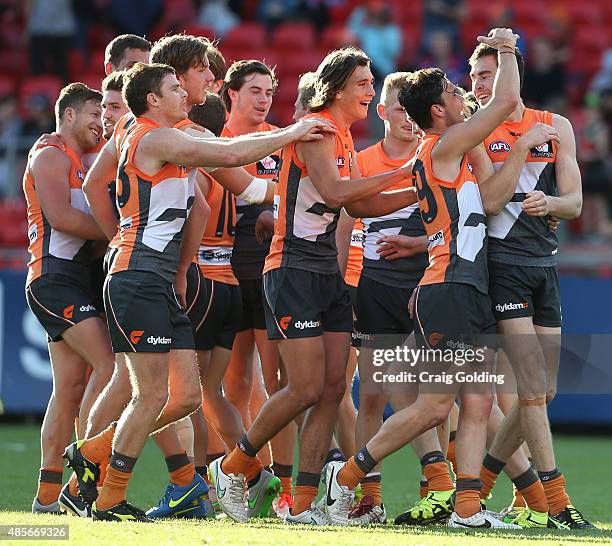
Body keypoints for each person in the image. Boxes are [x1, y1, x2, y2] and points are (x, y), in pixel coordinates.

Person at [68, 62, 336, 521]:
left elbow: (237, 170)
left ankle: (91, 451)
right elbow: (232, 156)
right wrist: (292, 132)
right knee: (148, 395)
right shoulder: (154, 136)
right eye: (176, 87)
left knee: (189, 396)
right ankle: (108, 497)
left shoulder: (172, 138)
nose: (186, 95)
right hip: (140, 275)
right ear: (152, 98)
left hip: (153, 278)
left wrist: (304, 194)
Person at [325, 28, 560, 529]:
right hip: (448, 286)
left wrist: (515, 153)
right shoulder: (444, 144)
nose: (462, 95)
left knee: (476, 403)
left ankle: (468, 511)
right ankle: (344, 479)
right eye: (454, 92)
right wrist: (504, 46)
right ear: (438, 110)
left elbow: (492, 201)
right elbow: (508, 99)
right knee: (435, 407)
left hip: (465, 285)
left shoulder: (449, 150)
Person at [209, 47, 419, 524]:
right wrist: (408, 171)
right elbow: (337, 195)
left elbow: (360, 209)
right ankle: (235, 465)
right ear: (340, 88)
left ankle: (304, 504)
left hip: (328, 272)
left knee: (329, 390)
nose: (371, 91)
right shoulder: (318, 130)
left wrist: (420, 191)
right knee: (302, 388)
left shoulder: (342, 134)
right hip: (292, 269)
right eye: (364, 84)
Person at [469, 41, 594, 530]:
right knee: (532, 391)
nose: (481, 84)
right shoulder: (474, 130)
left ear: (513, 75)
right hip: (502, 265)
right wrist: (519, 160)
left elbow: (576, 202)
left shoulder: (555, 125)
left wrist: (550, 204)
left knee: (547, 391)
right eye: (476, 75)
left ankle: (478, 484)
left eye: (490, 73)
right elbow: (491, 203)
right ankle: (556, 503)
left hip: (545, 265)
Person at [23, 83, 115, 514]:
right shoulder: (50, 155)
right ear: (71, 115)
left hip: (75, 280)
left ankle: (47, 498)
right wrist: (119, 232)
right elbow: (60, 218)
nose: (101, 123)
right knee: (109, 365)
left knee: (69, 389)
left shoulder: (84, 161)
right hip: (52, 281)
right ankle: (84, 479)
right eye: (94, 114)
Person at [349, 71, 428, 525]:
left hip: (429, 282)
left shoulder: (436, 152)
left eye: (412, 108)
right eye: (398, 107)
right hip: (377, 284)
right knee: (374, 394)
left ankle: (434, 490)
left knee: (436, 397)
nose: (406, 117)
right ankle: (368, 497)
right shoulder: (362, 161)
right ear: (382, 111)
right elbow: (349, 223)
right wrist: (348, 283)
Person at [220, 60, 295, 517]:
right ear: (232, 93)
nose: (264, 98)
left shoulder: (280, 141)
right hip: (224, 274)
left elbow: (300, 198)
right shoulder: (213, 142)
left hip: (269, 272)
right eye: (254, 91)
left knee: (279, 382)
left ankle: (285, 487)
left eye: (269, 91)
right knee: (232, 386)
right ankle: (244, 478)